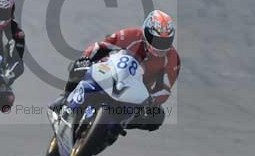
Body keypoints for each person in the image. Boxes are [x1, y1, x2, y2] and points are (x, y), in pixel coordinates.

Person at [49, 9, 179, 132]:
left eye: (164, 42)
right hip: (109, 74)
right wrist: (86, 58)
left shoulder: (172, 59)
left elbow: (164, 89)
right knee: (80, 66)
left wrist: (152, 100)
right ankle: (64, 98)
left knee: (157, 116)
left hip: (136, 95)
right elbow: (100, 47)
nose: (159, 45)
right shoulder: (131, 35)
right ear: (146, 32)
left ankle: (117, 126)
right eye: (155, 39)